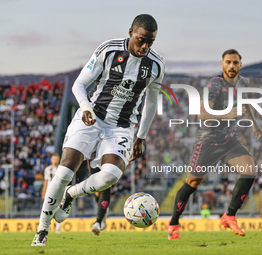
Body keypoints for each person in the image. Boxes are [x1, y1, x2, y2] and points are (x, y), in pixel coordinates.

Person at [32, 14, 165, 246]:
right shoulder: (109, 50)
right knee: (63, 173)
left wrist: (141, 136)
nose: (145, 46)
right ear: (131, 31)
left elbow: (152, 102)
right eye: (141, 40)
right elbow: (80, 84)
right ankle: (42, 230)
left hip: (122, 127)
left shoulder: (155, 65)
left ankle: (70, 194)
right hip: (92, 116)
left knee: (110, 176)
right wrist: (85, 107)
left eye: (150, 42)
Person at [167, 49, 262, 240]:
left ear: (240, 65)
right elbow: (202, 115)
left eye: (235, 63)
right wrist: (228, 114)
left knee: (250, 171)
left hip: (230, 141)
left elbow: (245, 103)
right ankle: (173, 223)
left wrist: (254, 122)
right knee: (192, 184)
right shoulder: (214, 84)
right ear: (222, 64)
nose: (232, 66)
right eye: (228, 62)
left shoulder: (243, 83)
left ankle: (229, 215)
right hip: (208, 142)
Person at [41, 153, 61, 234]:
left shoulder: (60, 168)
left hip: (58, 191)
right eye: (54, 159)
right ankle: (45, 226)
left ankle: (58, 228)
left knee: (58, 209)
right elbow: (46, 181)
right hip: (49, 192)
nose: (55, 160)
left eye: (57, 159)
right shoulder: (47, 169)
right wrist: (43, 192)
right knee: (47, 209)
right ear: (51, 160)